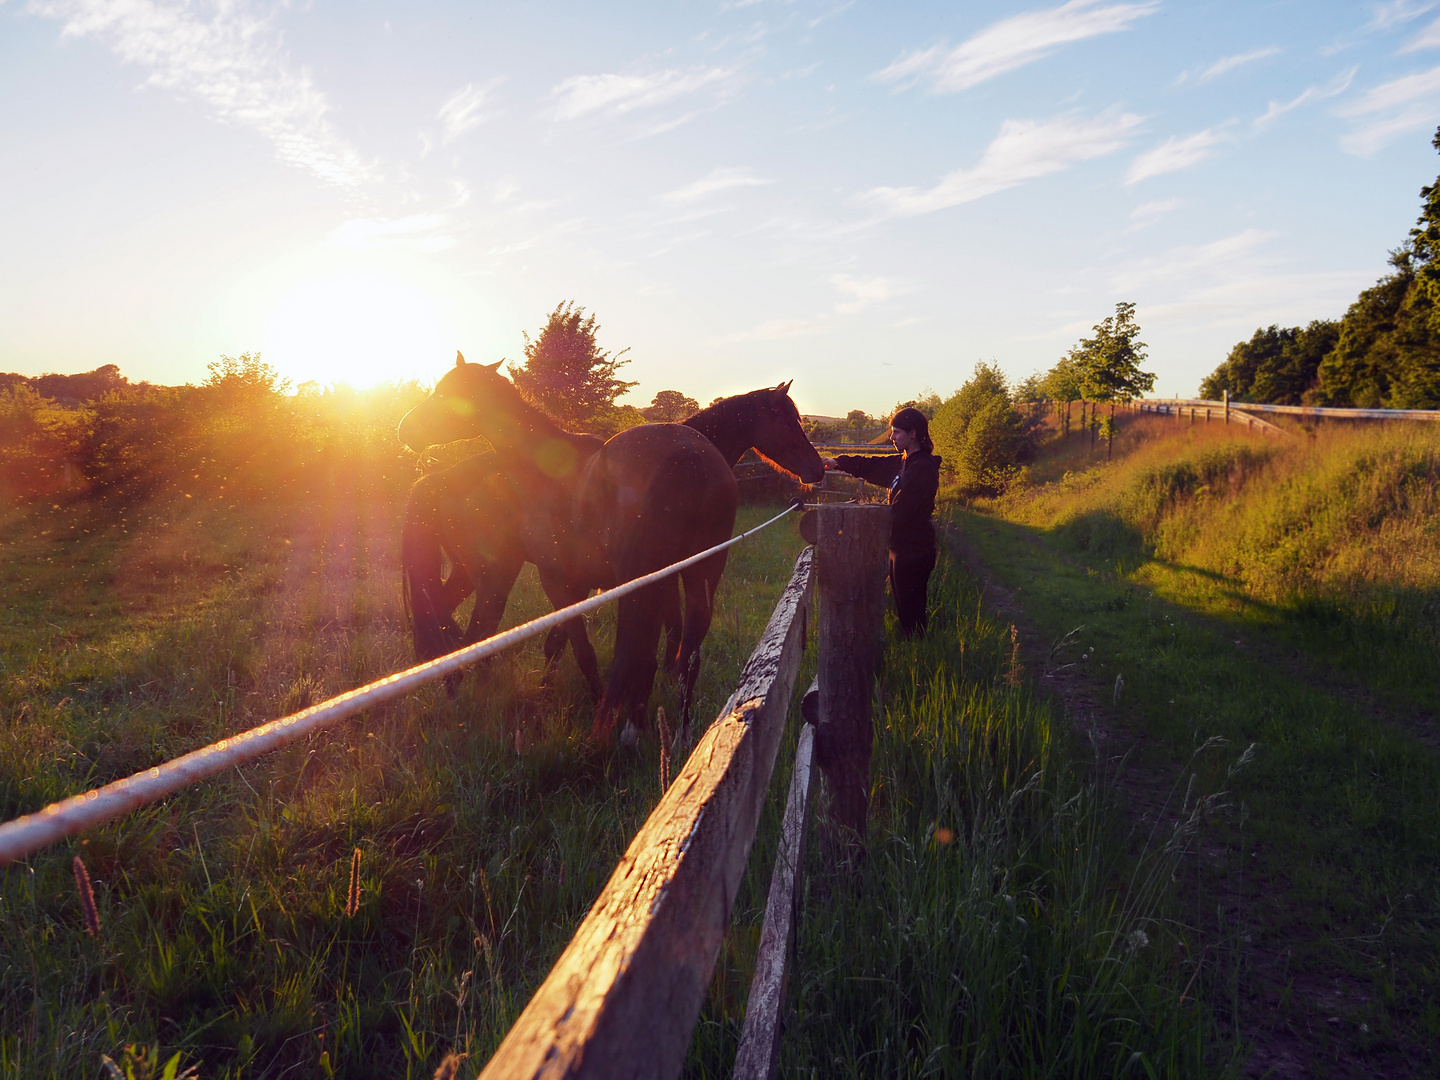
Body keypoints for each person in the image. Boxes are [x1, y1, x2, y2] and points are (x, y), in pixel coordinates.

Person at [824, 407, 941, 638]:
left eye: (896, 432)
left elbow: (905, 511)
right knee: (903, 607)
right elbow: (872, 465)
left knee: (912, 610)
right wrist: (838, 462)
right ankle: (913, 649)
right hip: (900, 546)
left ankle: (917, 652)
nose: (892, 437)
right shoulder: (904, 462)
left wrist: (867, 528)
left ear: (913, 434)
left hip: (915, 549)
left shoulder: (923, 468)